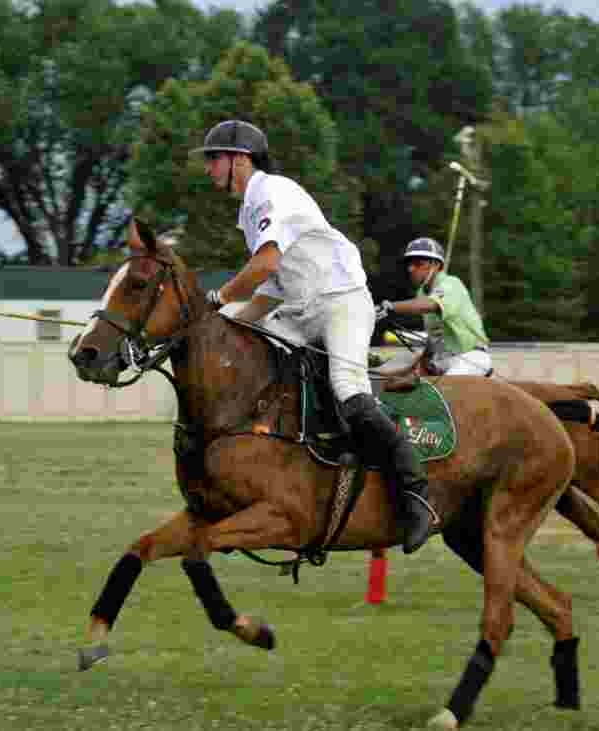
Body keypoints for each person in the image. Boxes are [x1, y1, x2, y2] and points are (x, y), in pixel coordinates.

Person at [193, 119, 435, 554]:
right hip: (301, 309)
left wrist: (219, 299)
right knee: (248, 351)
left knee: (349, 392)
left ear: (240, 159)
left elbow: (265, 265)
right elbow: (273, 285)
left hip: (340, 302)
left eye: (214, 159)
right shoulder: (249, 210)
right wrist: (234, 323)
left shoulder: (273, 192)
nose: (208, 168)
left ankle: (417, 495)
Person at [375, 237, 492, 377]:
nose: (411, 268)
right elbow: (434, 339)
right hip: (444, 362)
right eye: (410, 264)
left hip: (471, 357)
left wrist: (389, 306)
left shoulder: (451, 284)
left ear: (435, 265)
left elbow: (430, 304)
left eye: (418, 263)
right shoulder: (422, 293)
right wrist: (398, 373)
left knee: (444, 391)